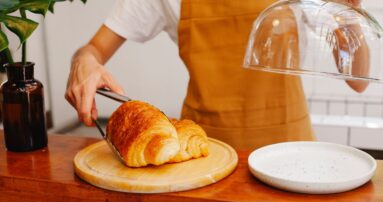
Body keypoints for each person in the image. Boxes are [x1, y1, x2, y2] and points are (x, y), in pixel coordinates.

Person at [65, 0, 368, 150]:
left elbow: (358, 80)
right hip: (202, 151)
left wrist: (351, 14)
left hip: (291, 149)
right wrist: (84, 63)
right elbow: (92, 50)